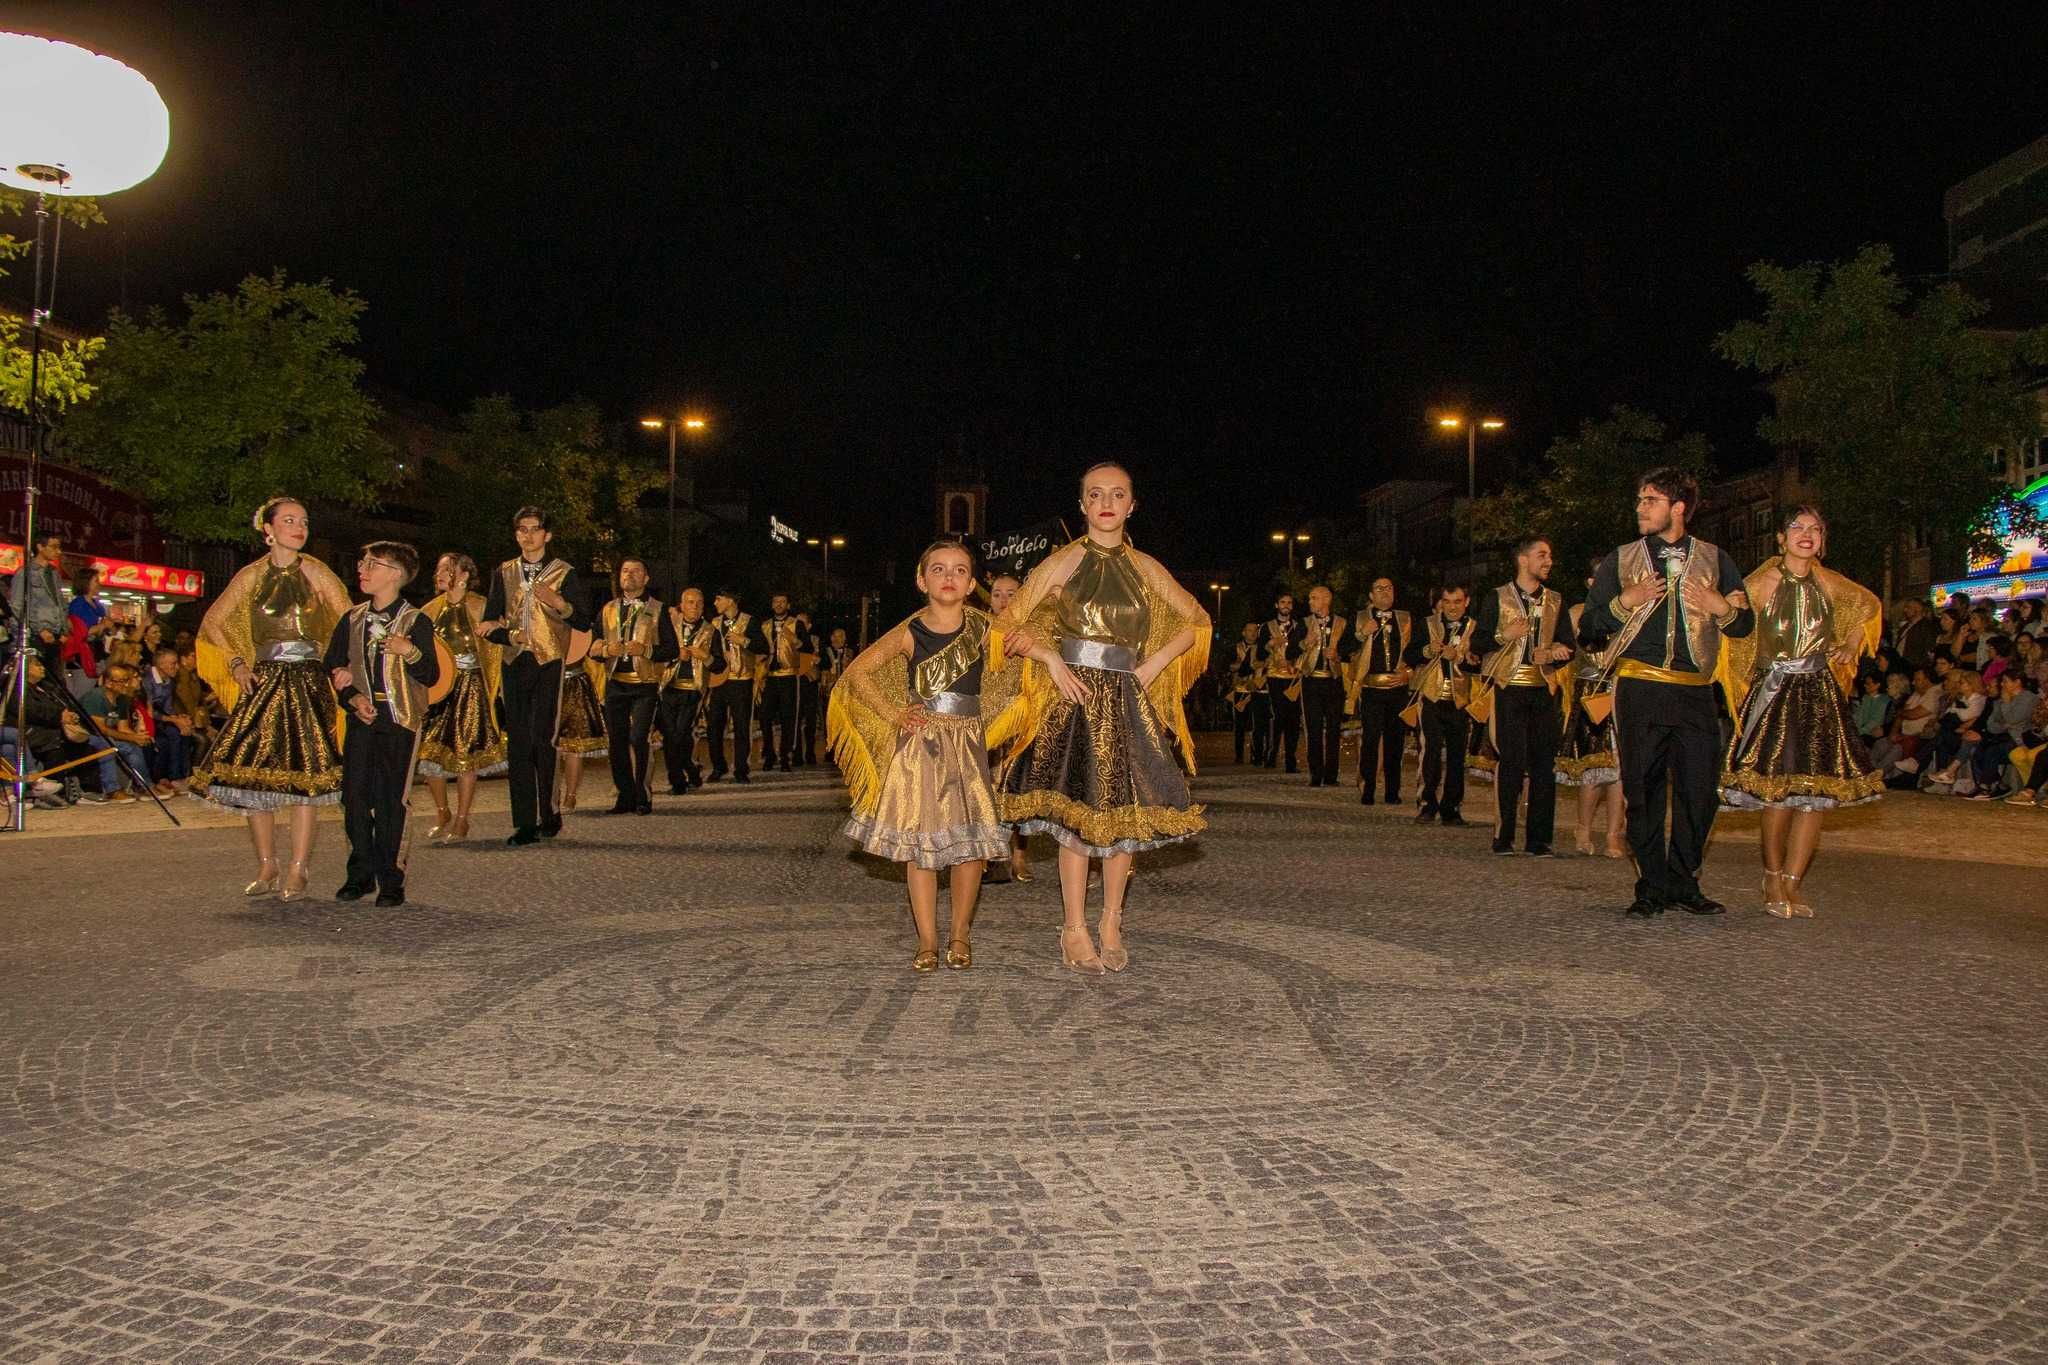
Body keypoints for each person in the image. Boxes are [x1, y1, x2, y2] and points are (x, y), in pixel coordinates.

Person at [996, 461, 1210, 974]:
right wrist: (1049, 659)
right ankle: (1073, 927)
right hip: (1073, 701)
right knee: (1077, 820)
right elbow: (1007, 622)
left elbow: (1196, 620)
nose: (1107, 502)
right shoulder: (1064, 561)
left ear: (1132, 505)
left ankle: (1112, 921)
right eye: (1096, 494)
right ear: (1083, 505)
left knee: (1123, 818)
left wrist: (1155, 664)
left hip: (1127, 699)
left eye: (1117, 494)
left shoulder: (1146, 567)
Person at [829, 541, 1020, 971]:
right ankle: (928, 941)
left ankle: (960, 935)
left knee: (970, 845)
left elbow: (1028, 662)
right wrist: (893, 712)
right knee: (921, 845)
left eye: (958, 570)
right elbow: (858, 672)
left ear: (972, 584)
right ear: (921, 580)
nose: (948, 576)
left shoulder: (986, 628)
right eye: (938, 569)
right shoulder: (909, 631)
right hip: (919, 747)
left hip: (969, 745)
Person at [1586, 467, 1754, 917]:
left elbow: (1745, 625)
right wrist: (1627, 600)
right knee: (1642, 789)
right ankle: (1651, 885)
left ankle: (1684, 881)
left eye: (1650, 500)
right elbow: (1590, 625)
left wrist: (1721, 607)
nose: (1640, 507)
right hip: (1640, 687)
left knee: (1700, 792)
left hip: (1697, 692)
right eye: (1640, 499)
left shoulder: (1717, 560)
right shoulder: (1620, 560)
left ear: (1678, 508)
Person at [1717, 506, 1883, 916]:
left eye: (1815, 529)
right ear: (1780, 538)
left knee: (1815, 794)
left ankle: (1794, 881)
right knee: (1779, 794)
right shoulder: (1761, 582)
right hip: (1775, 692)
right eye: (1797, 527)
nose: (1806, 535)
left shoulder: (1830, 582)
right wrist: (1725, 607)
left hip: (1819, 692)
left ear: (1822, 540)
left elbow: (1868, 605)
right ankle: (1772, 875)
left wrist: (1851, 642)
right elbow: (1731, 623)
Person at [193, 496, 354, 899]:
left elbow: (351, 618)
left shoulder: (317, 572)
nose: (299, 527)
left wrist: (340, 666)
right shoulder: (250, 576)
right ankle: (267, 865)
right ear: (268, 530)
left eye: (303, 520)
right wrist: (236, 664)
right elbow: (214, 621)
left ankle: (298, 869)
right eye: (289, 520)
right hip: (263, 680)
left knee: (305, 777)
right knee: (254, 774)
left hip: (308, 679)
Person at [324, 542, 441, 907]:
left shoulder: (415, 621)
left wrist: (410, 651)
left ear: (395, 574)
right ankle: (359, 874)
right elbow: (334, 664)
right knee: (354, 798)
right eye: (362, 562)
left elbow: (431, 675)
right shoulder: (352, 618)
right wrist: (350, 695)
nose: (362, 569)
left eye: (371, 564)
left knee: (392, 800)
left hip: (400, 719)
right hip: (361, 718)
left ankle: (392, 878)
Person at [481, 506, 592, 845]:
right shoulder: (504, 572)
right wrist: (508, 636)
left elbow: (584, 621)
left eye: (535, 529)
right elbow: (488, 624)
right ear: (516, 534)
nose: (528, 535)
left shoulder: (564, 573)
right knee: (518, 742)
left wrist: (560, 603)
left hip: (549, 662)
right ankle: (524, 822)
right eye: (522, 529)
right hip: (515, 662)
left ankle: (550, 813)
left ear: (547, 535)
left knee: (543, 738)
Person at [1475, 537, 1575, 856]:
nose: (1548, 561)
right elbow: (1477, 643)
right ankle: (1503, 835)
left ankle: (1538, 839)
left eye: (1550, 555)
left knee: (1544, 766)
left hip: (1543, 689)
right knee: (1512, 762)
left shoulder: (1555, 600)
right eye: (1541, 555)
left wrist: (1558, 653)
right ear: (1522, 560)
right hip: (1509, 689)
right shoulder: (1497, 597)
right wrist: (1503, 636)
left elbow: (1567, 644)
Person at [416, 552, 506, 843]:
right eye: (438, 569)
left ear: (464, 575)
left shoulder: (480, 606)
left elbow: (506, 636)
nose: (439, 574)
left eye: (448, 569)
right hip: (440, 689)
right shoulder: (429, 610)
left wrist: (496, 628)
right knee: (430, 752)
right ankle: (442, 812)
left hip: (470, 687)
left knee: (465, 754)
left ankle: (463, 818)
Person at [591, 558, 678, 814]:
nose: (629, 575)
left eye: (636, 571)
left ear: (646, 578)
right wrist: (608, 649)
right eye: (625, 570)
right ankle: (624, 796)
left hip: (645, 684)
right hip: (615, 683)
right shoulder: (607, 609)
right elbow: (593, 647)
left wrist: (646, 650)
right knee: (616, 742)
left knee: (638, 738)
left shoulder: (658, 609)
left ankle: (643, 795)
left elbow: (671, 650)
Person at [1558, 565, 1625, 858]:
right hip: (1588, 692)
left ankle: (1613, 834)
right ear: (1589, 581)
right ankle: (1583, 828)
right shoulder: (1576, 613)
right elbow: (1559, 648)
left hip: (1619, 692)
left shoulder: (1627, 611)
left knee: (1620, 771)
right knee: (1593, 769)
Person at [1403, 582, 1478, 826]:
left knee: (1457, 756)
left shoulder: (1474, 628)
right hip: (1431, 697)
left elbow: (1481, 663)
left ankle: (1452, 808)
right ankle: (1426, 804)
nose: (1452, 607)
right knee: (1430, 752)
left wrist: (1460, 658)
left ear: (1466, 602)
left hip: (1460, 700)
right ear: (1440, 603)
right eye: (1447, 602)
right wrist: (1427, 650)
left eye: (1457, 602)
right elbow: (1410, 655)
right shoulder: (1428, 624)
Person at [980, 573, 1032, 884]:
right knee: (987, 787)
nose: (1003, 599)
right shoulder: (979, 628)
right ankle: (990, 854)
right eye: (997, 593)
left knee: (1017, 787)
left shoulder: (1031, 630)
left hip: (1019, 720)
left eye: (1010, 593)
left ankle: (1019, 854)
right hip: (986, 720)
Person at [1349, 576, 1411, 804]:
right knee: (1371, 739)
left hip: (1397, 688)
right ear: (1371, 596)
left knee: (1396, 740)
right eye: (1380, 589)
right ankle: (1368, 788)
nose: (1385, 592)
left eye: (1389, 588)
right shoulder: (1359, 618)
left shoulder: (1405, 618)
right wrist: (1362, 633)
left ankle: (1393, 791)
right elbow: (1346, 647)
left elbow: (1414, 652)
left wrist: (1409, 673)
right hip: (1372, 688)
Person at [658, 587, 723, 794]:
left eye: (698, 603)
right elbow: (657, 653)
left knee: (680, 733)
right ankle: (689, 771)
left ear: (703, 606)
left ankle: (678, 781)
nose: (694, 606)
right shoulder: (668, 626)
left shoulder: (711, 631)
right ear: (682, 605)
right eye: (690, 602)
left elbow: (720, 665)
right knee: (671, 735)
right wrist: (676, 656)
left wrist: (705, 657)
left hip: (693, 691)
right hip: (668, 687)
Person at [1291, 585, 1352, 788]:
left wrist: (1338, 653)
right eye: (1310, 598)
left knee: (1334, 729)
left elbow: (1352, 646)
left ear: (1327, 600)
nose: (1310, 602)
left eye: (1314, 598)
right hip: (1311, 681)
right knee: (1313, 728)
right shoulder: (1304, 623)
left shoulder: (1342, 623)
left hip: (1334, 681)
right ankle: (1316, 774)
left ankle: (1332, 774)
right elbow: (1290, 651)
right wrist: (1303, 643)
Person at [704, 589, 767, 782]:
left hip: (741, 680)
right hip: (719, 681)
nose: (715, 603)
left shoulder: (749, 621)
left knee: (741, 726)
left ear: (730, 600)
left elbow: (764, 647)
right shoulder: (714, 623)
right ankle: (718, 766)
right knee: (714, 725)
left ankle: (741, 768)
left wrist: (744, 641)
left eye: (718, 598)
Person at [77, 659, 159, 800]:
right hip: (86, 735)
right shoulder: (96, 697)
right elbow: (100, 729)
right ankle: (112, 789)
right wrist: (132, 737)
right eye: (121, 681)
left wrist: (138, 737)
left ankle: (145, 785)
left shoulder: (122, 699)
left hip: (107, 735)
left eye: (127, 680)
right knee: (107, 746)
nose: (126, 684)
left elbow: (123, 727)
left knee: (133, 747)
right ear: (109, 683)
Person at [5, 530, 70, 675]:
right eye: (54, 547)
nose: (58, 551)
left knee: (53, 680)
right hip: (34, 637)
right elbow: (17, 606)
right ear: (40, 547)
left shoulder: (54, 573)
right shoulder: (25, 572)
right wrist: (39, 629)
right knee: (34, 678)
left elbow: (59, 603)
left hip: (54, 636)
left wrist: (64, 629)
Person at [1969, 669, 2040, 799]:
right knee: (1979, 749)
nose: (2002, 684)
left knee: (1993, 750)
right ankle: (1995, 785)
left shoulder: (2028, 698)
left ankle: (1986, 786)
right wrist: (2005, 725)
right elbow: (1991, 725)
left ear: (2017, 682)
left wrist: (2006, 704)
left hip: (2020, 739)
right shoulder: (2000, 699)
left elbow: (2013, 719)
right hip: (2003, 736)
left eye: (2005, 681)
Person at [759, 593, 809, 772]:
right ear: (772, 605)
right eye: (776, 602)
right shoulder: (765, 625)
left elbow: (807, 648)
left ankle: (785, 755)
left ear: (788, 605)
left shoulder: (797, 624)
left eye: (782, 602)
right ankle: (769, 753)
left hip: (789, 676)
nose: (779, 605)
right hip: (770, 676)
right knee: (765, 717)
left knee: (789, 717)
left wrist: (794, 639)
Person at [554, 652, 607, 811]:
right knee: (550, 747)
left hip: (576, 685)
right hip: (549, 684)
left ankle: (571, 796)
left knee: (575, 745)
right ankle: (552, 794)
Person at [1260, 592, 1304, 772]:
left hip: (1293, 678)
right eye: (1283, 602)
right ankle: (1271, 755)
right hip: (1274, 677)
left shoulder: (1299, 626)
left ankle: (1291, 760)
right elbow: (1260, 655)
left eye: (1289, 603)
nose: (1286, 605)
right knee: (1277, 717)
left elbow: (1304, 651)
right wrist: (1270, 644)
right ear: (1276, 605)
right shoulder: (1266, 627)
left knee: (1293, 719)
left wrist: (1294, 663)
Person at [141, 644, 195, 792]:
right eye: (173, 663)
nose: (176, 667)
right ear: (161, 664)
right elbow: (149, 712)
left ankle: (185, 775)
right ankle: (174, 777)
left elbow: (168, 707)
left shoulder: (169, 681)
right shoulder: (147, 681)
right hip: (146, 721)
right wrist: (173, 720)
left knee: (184, 731)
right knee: (174, 734)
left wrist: (179, 718)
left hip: (162, 719)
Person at [1225, 620, 1268, 765]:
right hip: (1240, 690)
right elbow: (1229, 667)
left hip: (1256, 690)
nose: (1252, 634)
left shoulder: (1262, 648)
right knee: (1240, 726)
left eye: (1255, 631)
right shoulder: (1236, 648)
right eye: (1249, 631)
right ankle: (1239, 755)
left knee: (1257, 725)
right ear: (1243, 632)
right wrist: (1243, 666)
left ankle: (1256, 755)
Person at [794, 608, 823, 765]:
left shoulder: (814, 640)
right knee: (795, 720)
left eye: (801, 623)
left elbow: (817, 659)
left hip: (809, 684)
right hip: (795, 683)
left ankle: (810, 752)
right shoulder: (790, 640)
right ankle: (797, 753)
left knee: (810, 721)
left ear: (809, 625)